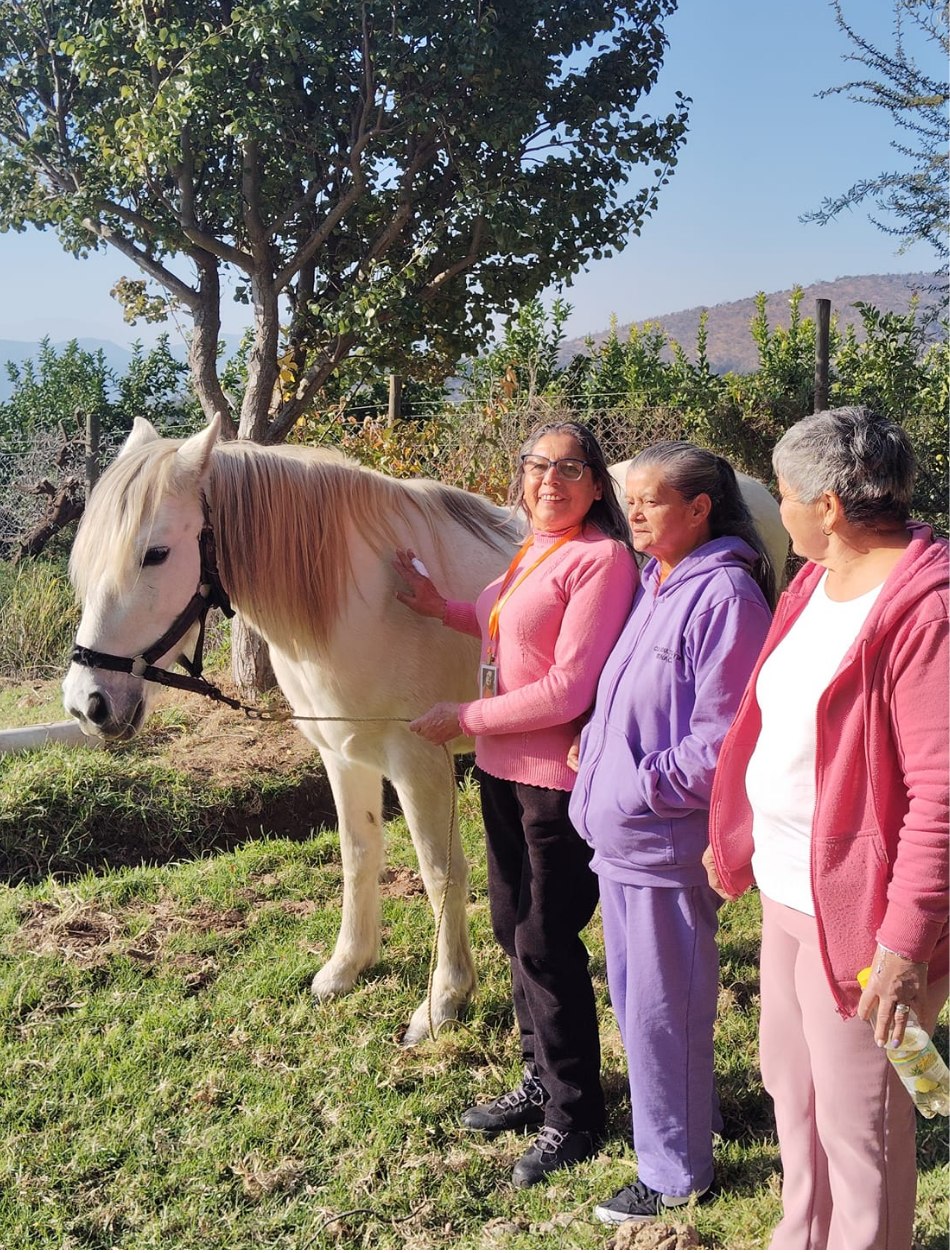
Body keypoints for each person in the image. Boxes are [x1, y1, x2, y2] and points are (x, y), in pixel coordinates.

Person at [704, 406, 950, 1250]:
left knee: (864, 1124)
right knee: (793, 1084)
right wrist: (736, 826)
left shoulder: (927, 611)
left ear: (830, 504)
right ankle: (801, 1232)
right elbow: (769, 716)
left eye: (785, 495)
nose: (782, 509)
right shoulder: (812, 582)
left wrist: (904, 944)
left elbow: (940, 797)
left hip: (863, 915)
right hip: (786, 887)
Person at [393, 420, 638, 1188]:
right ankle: (540, 1079)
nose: (550, 482)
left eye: (570, 469)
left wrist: (462, 717)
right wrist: (442, 607)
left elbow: (569, 686)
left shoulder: (602, 560)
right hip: (502, 772)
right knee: (511, 925)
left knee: (544, 936)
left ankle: (576, 1112)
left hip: (554, 782)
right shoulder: (536, 549)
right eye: (537, 466)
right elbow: (508, 627)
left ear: (597, 484)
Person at [569, 440, 775, 1224]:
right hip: (625, 839)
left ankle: (674, 1173)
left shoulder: (724, 595)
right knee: (645, 1004)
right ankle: (693, 1121)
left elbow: (723, 743)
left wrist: (637, 782)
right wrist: (601, 742)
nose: (636, 512)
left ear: (699, 509)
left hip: (662, 841)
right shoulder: (660, 581)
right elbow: (645, 701)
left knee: (660, 1009)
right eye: (634, 498)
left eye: (653, 500)